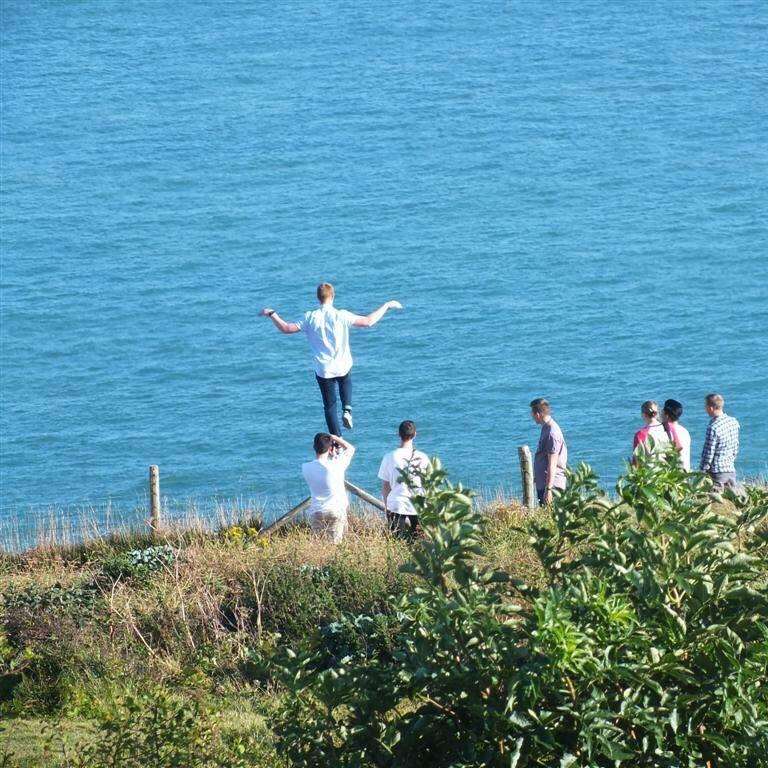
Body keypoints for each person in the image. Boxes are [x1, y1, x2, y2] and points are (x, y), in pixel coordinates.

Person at [261, 283, 402, 436]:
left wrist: (272, 314)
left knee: (329, 406)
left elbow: (286, 328)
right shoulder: (341, 315)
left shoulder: (310, 317)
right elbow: (368, 321)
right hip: (342, 365)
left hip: (323, 369)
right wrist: (387, 305)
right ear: (333, 296)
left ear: (318, 298)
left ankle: (337, 440)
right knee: (345, 379)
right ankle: (347, 409)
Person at [378, 420, 430, 538]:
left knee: (396, 542)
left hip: (396, 503)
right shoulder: (423, 457)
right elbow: (428, 483)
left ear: (398, 434)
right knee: (420, 542)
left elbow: (386, 486)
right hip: (418, 503)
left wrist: (387, 506)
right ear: (415, 434)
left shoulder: (389, 457)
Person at [301, 432, 355, 544]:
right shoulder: (337, 464)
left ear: (314, 447)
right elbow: (350, 448)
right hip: (335, 509)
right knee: (335, 546)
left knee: (319, 546)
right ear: (330, 448)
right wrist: (335, 438)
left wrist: (332, 452)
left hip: (316, 510)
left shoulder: (305, 467)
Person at [530, 398, 568, 506]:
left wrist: (549, 490)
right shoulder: (546, 428)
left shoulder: (552, 432)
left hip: (553, 486)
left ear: (537, 414)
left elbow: (552, 464)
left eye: (532, 413)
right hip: (545, 484)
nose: (531, 417)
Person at [699, 393, 740, 488]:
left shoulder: (713, 427)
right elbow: (735, 447)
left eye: (705, 406)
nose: (705, 409)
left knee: (716, 500)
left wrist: (702, 471)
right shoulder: (734, 422)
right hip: (730, 469)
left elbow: (708, 453)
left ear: (711, 408)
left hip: (717, 472)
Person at [661, 398, 691, 471]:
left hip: (673, 474)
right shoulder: (685, 431)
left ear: (666, 415)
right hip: (685, 471)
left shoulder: (665, 432)